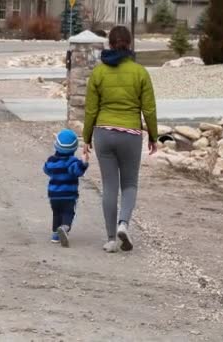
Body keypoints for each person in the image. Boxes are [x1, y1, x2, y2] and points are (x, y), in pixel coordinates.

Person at [82, 26, 158, 253]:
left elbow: (90, 110)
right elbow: (150, 109)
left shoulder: (98, 73)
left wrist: (86, 137)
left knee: (109, 187)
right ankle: (123, 223)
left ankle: (111, 239)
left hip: (104, 133)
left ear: (109, 44)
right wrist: (153, 136)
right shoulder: (140, 72)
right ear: (129, 44)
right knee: (130, 184)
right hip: (130, 135)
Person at [43, 129, 89, 248]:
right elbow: (77, 172)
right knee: (68, 213)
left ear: (56, 146)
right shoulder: (72, 162)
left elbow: (46, 169)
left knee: (56, 213)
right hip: (69, 195)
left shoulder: (51, 160)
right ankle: (64, 227)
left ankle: (55, 236)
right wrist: (83, 163)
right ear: (74, 148)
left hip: (53, 194)